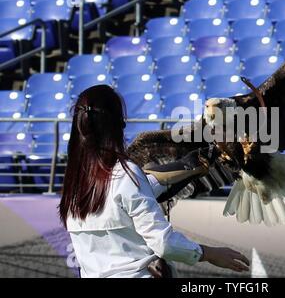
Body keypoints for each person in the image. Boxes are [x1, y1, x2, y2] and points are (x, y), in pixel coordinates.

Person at [59, 85, 249, 278]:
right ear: (118, 125)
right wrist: (210, 253)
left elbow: (134, 193)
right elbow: (164, 244)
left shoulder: (74, 183)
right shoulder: (125, 174)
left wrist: (194, 162)